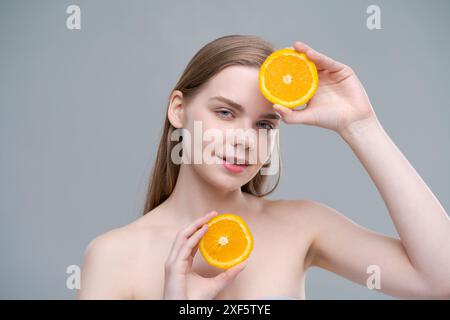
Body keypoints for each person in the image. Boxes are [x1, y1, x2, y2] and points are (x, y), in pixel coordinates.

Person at [77, 35, 450, 300]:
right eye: (225, 113)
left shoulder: (303, 225)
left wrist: (360, 125)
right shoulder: (114, 255)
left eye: (264, 124)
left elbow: (440, 281)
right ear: (179, 109)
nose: (244, 139)